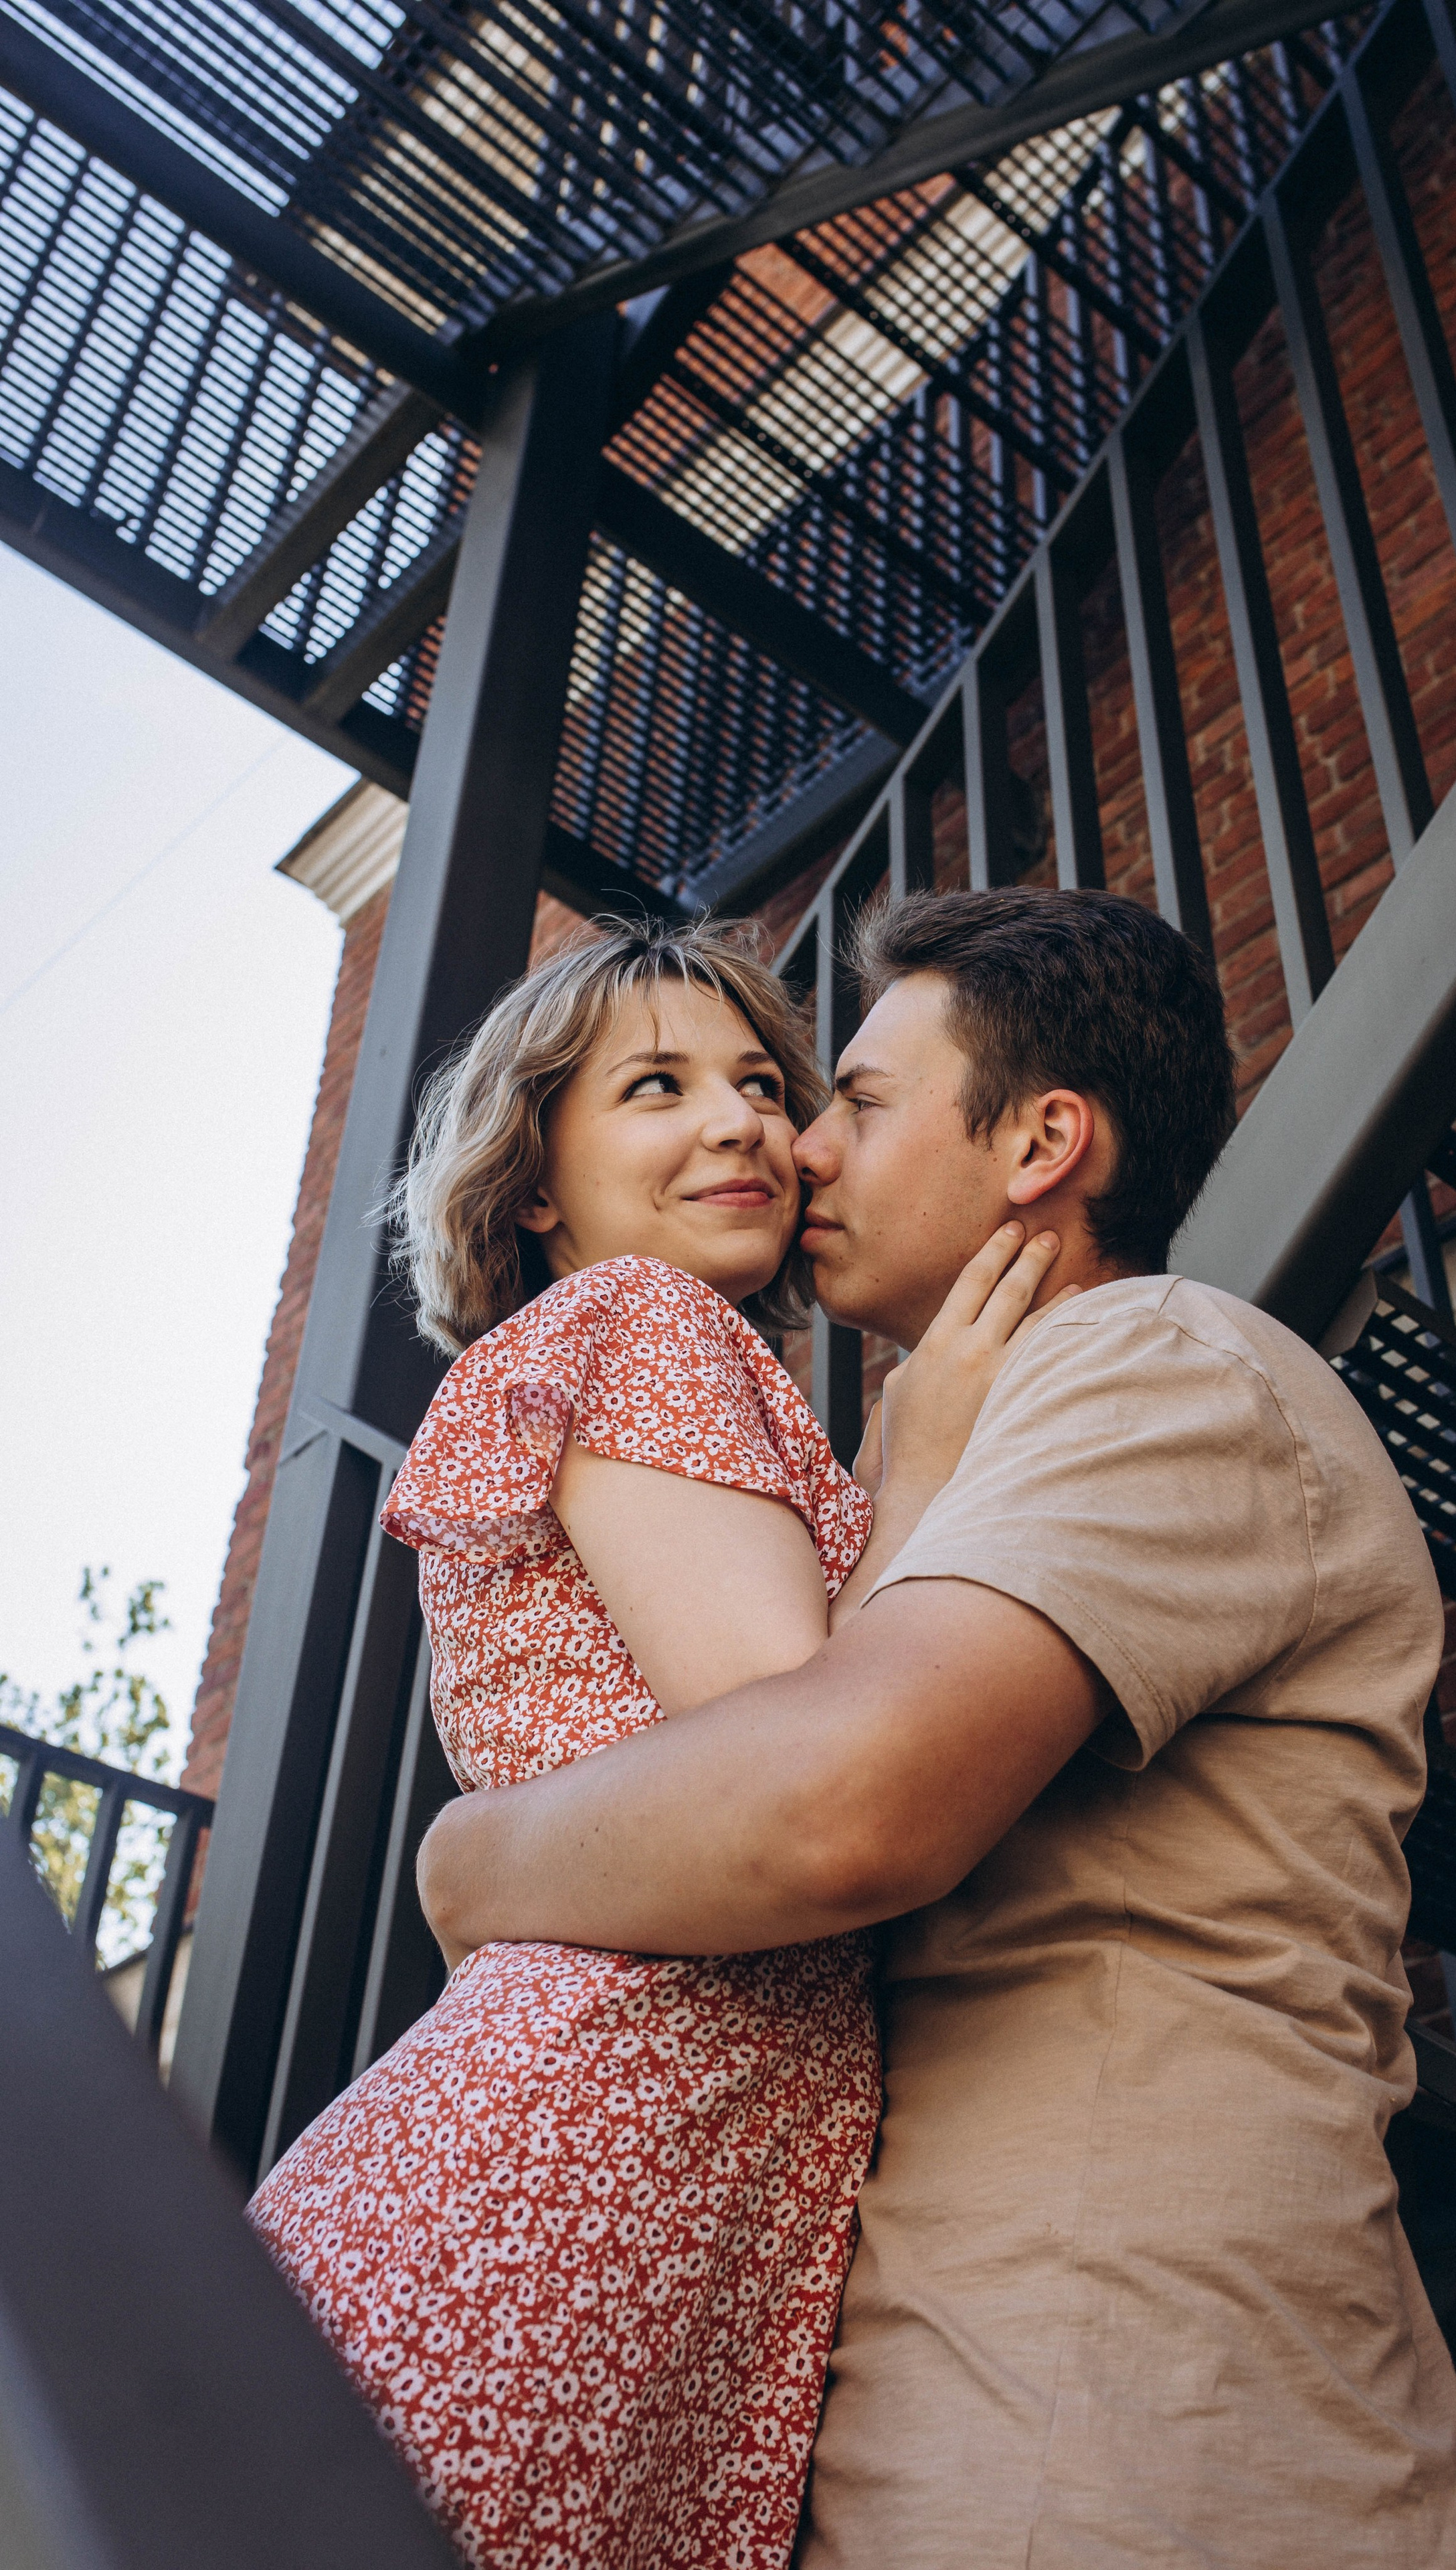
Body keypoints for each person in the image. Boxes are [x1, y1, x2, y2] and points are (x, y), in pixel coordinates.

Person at [418, 886, 1456, 2569]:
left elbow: (831, 1804)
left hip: (1096, 2389)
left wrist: (470, 1862)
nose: (796, 1144)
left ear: (1042, 1143)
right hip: (975, 2379)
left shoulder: (1148, 1358)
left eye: (847, 1096)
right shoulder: (944, 1442)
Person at [248, 916, 1060, 2570]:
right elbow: (790, 1723)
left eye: (761, 1082)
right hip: (583, 2151)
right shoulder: (641, 1322)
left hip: (642, 2148)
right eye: (654, 1088)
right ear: (535, 1185)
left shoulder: (662, 1365)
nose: (739, 1122)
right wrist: (919, 1463)